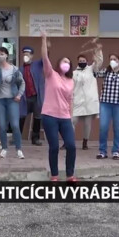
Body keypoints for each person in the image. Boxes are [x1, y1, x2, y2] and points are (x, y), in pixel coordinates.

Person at [39, 29, 77, 181]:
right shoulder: (51, 74)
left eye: (68, 62)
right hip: (49, 116)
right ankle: (54, 175)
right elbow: (44, 57)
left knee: (71, 146)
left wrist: (71, 119)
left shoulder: (71, 81)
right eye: (63, 61)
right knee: (54, 146)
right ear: (58, 64)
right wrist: (44, 39)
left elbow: (70, 100)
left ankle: (70, 175)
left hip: (65, 117)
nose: (66, 64)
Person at [0, 47, 26, 159]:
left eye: (2, 54)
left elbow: (22, 83)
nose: (0, 56)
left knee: (15, 125)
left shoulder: (14, 69)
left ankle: (19, 149)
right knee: (2, 126)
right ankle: (4, 148)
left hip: (12, 100)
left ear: (7, 55)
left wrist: (19, 95)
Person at [94, 52, 119, 160]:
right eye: (111, 59)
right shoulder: (106, 71)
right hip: (105, 103)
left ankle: (116, 151)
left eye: (114, 59)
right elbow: (95, 74)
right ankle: (102, 151)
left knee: (117, 127)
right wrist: (96, 61)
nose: (112, 61)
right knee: (103, 127)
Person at [72, 51, 102, 150]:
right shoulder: (74, 73)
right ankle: (69, 141)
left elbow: (99, 61)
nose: (82, 62)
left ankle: (85, 142)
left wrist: (98, 52)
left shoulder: (92, 69)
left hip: (89, 102)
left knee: (87, 124)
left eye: (84, 60)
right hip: (77, 101)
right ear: (77, 62)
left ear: (87, 61)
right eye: (80, 61)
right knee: (72, 121)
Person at [19, 46, 44, 146]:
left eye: (28, 54)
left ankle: (35, 138)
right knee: (21, 116)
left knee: (37, 118)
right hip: (25, 98)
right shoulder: (20, 69)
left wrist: (45, 46)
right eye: (24, 54)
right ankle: (17, 138)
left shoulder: (37, 65)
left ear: (32, 56)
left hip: (36, 97)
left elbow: (45, 58)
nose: (26, 56)